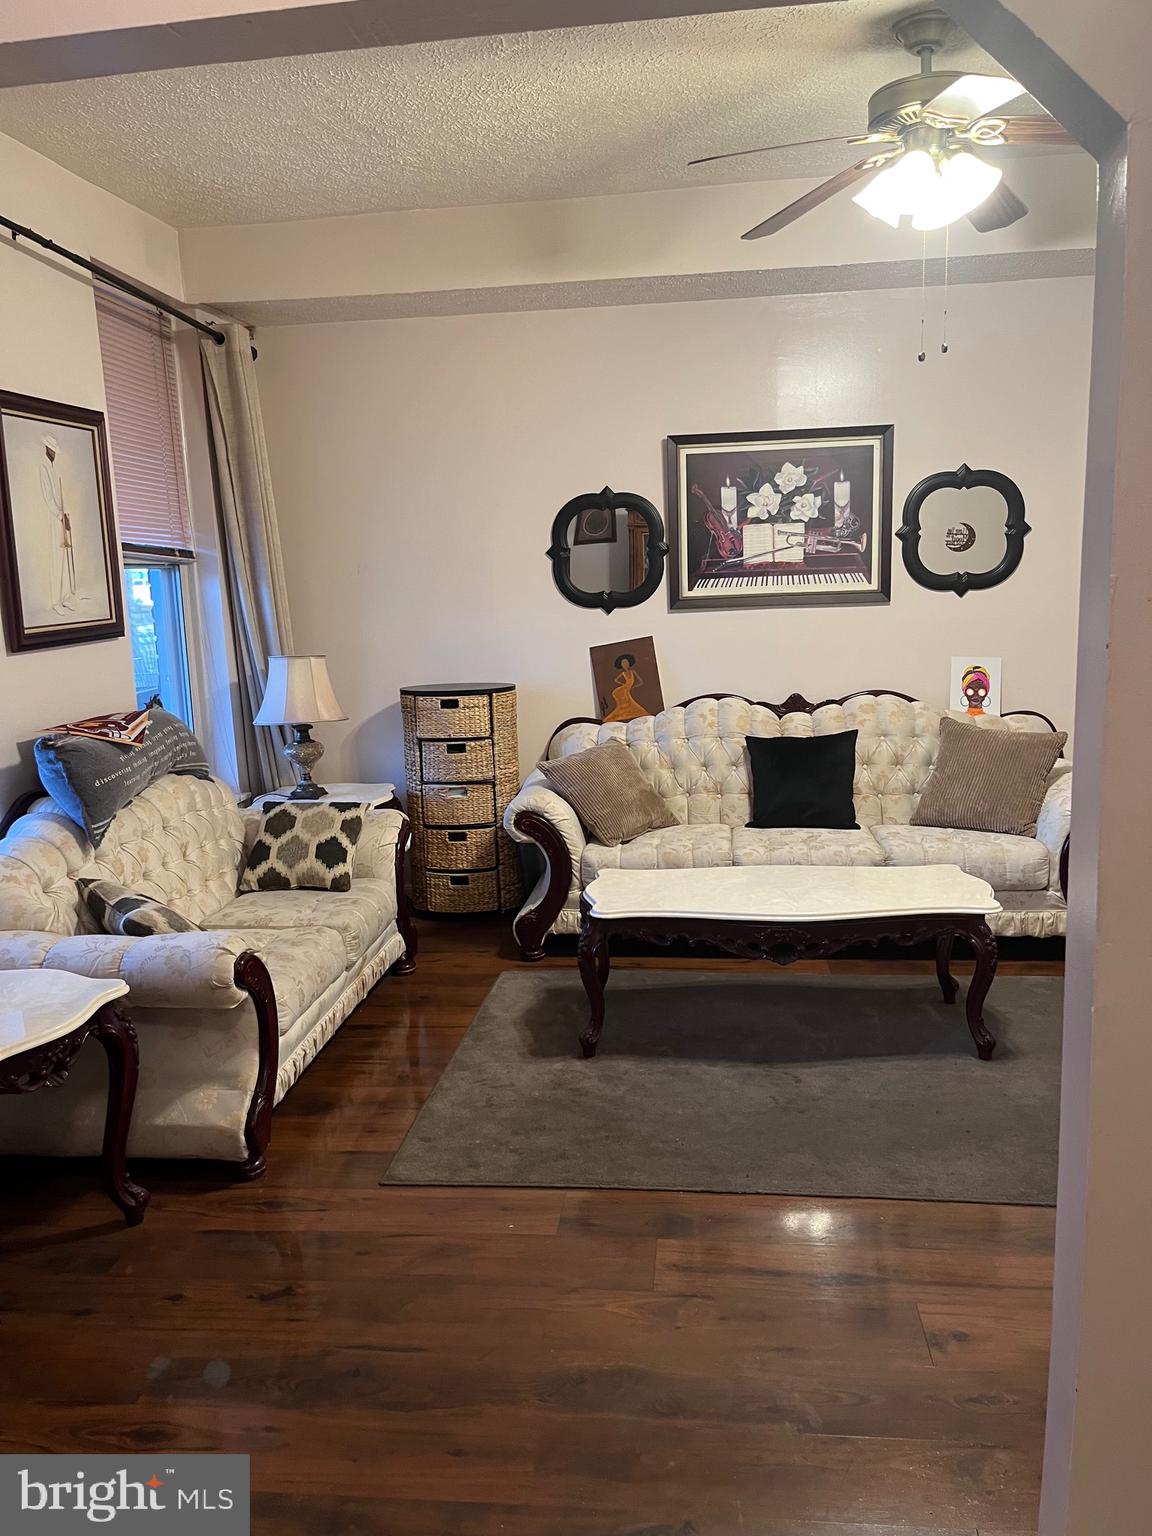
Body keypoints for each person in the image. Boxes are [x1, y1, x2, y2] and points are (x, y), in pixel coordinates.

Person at [40, 433, 77, 614]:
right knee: (56, 557)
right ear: (47, 448)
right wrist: (59, 515)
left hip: (61, 517)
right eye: (52, 450)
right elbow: (48, 497)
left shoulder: (53, 468)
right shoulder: (43, 467)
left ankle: (64, 598)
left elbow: (60, 497)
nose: (54, 453)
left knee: (63, 556)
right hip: (53, 519)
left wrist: (66, 515)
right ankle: (55, 601)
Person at [602, 653, 647, 722]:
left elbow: (641, 681)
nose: (625, 664)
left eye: (626, 662)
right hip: (622, 689)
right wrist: (622, 684)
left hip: (626, 688)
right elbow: (616, 680)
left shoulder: (633, 672)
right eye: (623, 663)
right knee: (625, 701)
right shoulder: (623, 673)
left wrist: (635, 686)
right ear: (621, 665)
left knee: (628, 701)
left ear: (629, 663)